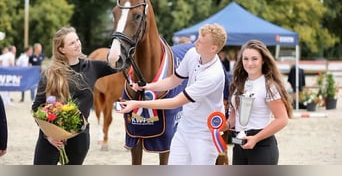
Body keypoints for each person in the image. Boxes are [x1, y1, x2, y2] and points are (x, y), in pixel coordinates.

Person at [117, 23, 228, 165]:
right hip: (184, 128)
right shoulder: (193, 53)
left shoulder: (213, 75)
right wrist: (146, 87)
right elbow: (173, 80)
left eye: (200, 41)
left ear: (213, 48)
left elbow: (175, 102)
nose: (195, 43)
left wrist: (137, 103)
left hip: (203, 133)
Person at [32, 27, 119, 165]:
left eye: (77, 40)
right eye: (72, 43)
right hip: (51, 137)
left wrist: (118, 46)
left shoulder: (93, 67)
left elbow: (120, 64)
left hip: (80, 138)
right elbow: (37, 108)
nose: (77, 44)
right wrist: (48, 135)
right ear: (62, 49)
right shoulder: (50, 73)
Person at [224, 40, 292, 165]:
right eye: (246, 59)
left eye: (254, 59)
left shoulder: (269, 86)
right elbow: (235, 115)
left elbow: (282, 119)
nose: (249, 63)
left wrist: (256, 138)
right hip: (239, 144)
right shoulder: (237, 84)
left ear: (263, 60)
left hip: (261, 145)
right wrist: (226, 124)